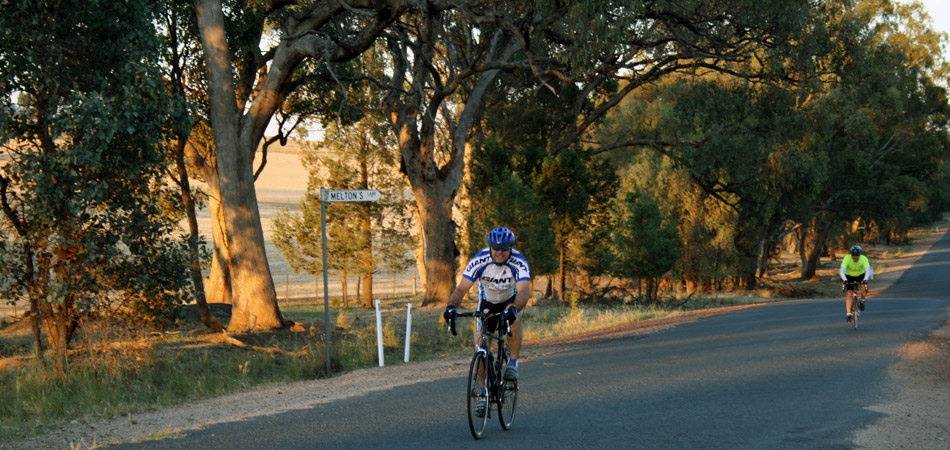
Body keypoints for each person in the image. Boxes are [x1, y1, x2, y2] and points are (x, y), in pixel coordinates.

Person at [444, 226, 531, 417]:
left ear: (511, 247)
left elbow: (524, 292)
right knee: (480, 345)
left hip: (511, 301)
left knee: (514, 321)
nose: (499, 252)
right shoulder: (479, 260)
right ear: (490, 247)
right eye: (495, 248)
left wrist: (514, 308)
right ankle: (483, 393)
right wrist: (451, 307)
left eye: (504, 248)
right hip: (486, 304)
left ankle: (513, 364)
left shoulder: (519, 262)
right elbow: (461, 290)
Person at [840, 245, 872, 323]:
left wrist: (865, 280)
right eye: (853, 255)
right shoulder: (847, 258)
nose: (855, 257)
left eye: (857, 255)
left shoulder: (864, 259)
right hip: (849, 275)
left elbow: (868, 271)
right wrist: (845, 280)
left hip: (861, 275)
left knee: (864, 285)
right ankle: (848, 315)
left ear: (859, 254)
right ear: (851, 255)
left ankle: (862, 300)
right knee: (849, 293)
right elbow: (842, 271)